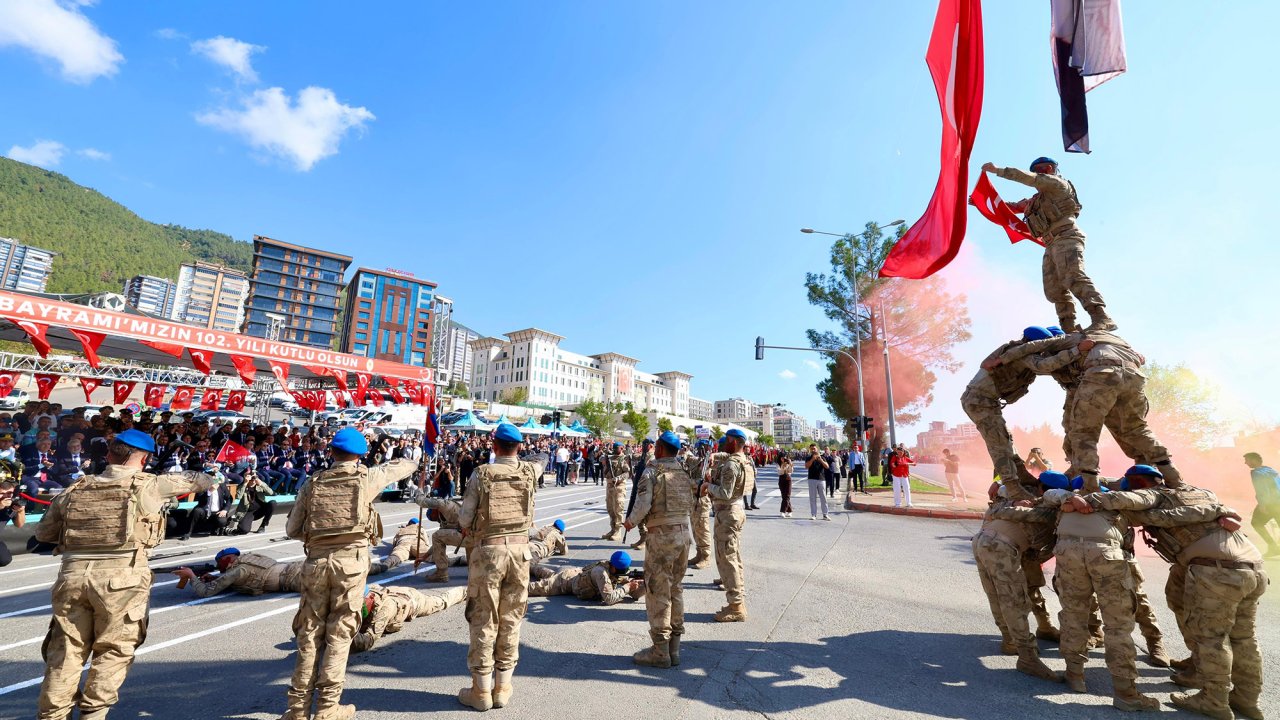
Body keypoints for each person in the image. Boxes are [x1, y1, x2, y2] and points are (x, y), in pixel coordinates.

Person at [33, 429, 221, 720]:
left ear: (109, 454)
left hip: (73, 576)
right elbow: (203, 480)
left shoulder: (75, 488)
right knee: (113, 650)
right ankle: (93, 715)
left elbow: (44, 534)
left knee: (65, 652)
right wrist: (201, 467)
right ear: (144, 459)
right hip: (123, 578)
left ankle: (52, 716)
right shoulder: (152, 485)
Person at [1068, 465, 1265, 719]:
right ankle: (1246, 698)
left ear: (1139, 484)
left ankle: (1214, 700)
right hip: (1251, 566)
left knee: (1212, 637)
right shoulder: (1199, 493)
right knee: (1244, 636)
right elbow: (1117, 484)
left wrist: (1082, 499)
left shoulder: (1152, 496)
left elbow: (1118, 498)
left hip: (1217, 571)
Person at [279, 427, 419, 720]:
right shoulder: (367, 477)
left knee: (309, 634)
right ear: (360, 456)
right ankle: (327, 708)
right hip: (351, 565)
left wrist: (321, 537)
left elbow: (292, 529)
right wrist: (417, 456)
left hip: (316, 563)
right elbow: (402, 466)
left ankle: (297, 710)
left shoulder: (313, 483)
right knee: (340, 634)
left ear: (331, 452)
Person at [1052, 479, 1158, 710]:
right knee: (1118, 625)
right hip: (1107, 556)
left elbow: (1049, 494)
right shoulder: (1117, 503)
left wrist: (1070, 499)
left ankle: (1074, 675)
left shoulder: (1064, 503)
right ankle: (1126, 693)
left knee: (1073, 615)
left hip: (1068, 554)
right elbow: (1148, 499)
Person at [456, 422, 539, 711]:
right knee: (511, 617)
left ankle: (481, 691)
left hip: (489, 553)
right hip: (520, 553)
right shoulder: (529, 472)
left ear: (494, 446)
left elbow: (465, 519)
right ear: (519, 447)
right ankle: (503, 687)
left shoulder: (482, 474)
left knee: (484, 618)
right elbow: (539, 462)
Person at [982, 157, 1115, 333]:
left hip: (1066, 236)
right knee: (1054, 289)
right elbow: (1012, 207)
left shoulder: (1058, 185)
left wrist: (998, 170)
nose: (1038, 174)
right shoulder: (1036, 200)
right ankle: (1069, 329)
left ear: (1050, 169)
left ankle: (1101, 317)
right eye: (1037, 171)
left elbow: (1029, 178)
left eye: (1041, 170)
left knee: (1073, 276)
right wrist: (981, 202)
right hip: (1051, 244)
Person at [972, 480, 1065, 682]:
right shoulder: (1051, 512)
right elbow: (1048, 549)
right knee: (1014, 601)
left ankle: (1009, 640)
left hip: (982, 540)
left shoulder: (1025, 500)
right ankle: (1027, 657)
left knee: (996, 596)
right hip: (1001, 547)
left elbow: (998, 506)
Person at [624, 430, 694, 668]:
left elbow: (643, 504)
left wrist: (630, 522)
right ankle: (674, 649)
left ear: (660, 449)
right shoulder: (682, 471)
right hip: (683, 534)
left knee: (657, 591)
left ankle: (660, 651)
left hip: (662, 537)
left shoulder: (652, 472)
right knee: (676, 589)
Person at [704, 428, 755, 622]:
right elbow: (725, 455)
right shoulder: (743, 459)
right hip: (735, 511)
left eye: (726, 440)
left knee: (728, 559)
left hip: (728, 513)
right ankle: (737, 597)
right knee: (733, 556)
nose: (723, 443)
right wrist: (714, 455)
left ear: (733, 442)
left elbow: (725, 493)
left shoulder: (732, 465)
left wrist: (708, 486)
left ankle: (736, 606)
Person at [351, 584, 467, 653]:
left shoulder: (385, 609)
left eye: (362, 603)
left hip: (412, 600)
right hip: (389, 590)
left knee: (440, 602)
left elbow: (368, 640)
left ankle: (466, 591)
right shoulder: (362, 595)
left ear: (371, 598)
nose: (358, 606)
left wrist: (347, 634)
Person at [174, 547, 305, 597]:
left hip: (295, 579)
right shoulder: (248, 558)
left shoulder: (238, 570)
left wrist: (191, 575)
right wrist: (214, 579)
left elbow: (205, 592)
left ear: (227, 559)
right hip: (296, 567)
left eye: (219, 562)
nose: (218, 566)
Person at [527, 551, 645, 603]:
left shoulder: (615, 570)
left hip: (574, 574)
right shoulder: (601, 573)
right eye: (621, 571)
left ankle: (530, 566)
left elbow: (634, 595)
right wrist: (627, 587)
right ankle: (521, 573)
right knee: (533, 588)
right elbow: (609, 598)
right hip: (566, 581)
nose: (623, 573)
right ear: (614, 567)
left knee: (547, 574)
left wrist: (643, 585)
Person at [684, 439, 715, 568]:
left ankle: (706, 556)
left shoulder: (711, 463)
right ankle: (699, 553)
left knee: (702, 528)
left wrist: (690, 483)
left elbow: (704, 482)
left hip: (702, 500)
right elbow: (685, 461)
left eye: (703, 448)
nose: (700, 450)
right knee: (695, 528)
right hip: (693, 499)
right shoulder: (697, 461)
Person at [1242, 452, 1280, 557]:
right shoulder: (1271, 470)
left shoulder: (1257, 473)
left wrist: (1262, 505)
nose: (1245, 463)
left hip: (1270, 504)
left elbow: (1262, 490)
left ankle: (1273, 547)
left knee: (1256, 523)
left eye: (1247, 460)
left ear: (1254, 460)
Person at [231, 470, 276, 535]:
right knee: (244, 530)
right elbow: (238, 496)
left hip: (260, 510)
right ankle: (238, 526)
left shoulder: (260, 485)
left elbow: (271, 493)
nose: (253, 479)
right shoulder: (242, 486)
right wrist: (245, 483)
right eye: (251, 478)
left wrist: (261, 483)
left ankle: (263, 525)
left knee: (273, 503)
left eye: (255, 477)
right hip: (248, 512)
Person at [600, 442, 629, 542]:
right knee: (610, 508)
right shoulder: (610, 458)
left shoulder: (624, 458)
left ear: (622, 448)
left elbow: (627, 473)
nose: (616, 449)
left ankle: (618, 530)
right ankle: (612, 529)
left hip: (619, 486)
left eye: (618, 448)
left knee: (618, 508)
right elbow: (604, 468)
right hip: (609, 485)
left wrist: (618, 478)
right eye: (615, 448)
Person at [0, 470, 27, 567]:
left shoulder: (13, 503)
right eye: (2, 493)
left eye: (9, 493)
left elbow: (19, 525)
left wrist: (20, 511)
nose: (6, 496)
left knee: (4, 559)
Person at [803, 444, 830, 520]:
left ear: (817, 449)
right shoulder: (808, 458)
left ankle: (825, 514)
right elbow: (806, 466)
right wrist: (812, 459)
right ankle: (813, 514)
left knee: (823, 497)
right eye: (811, 449)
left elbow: (827, 466)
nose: (813, 450)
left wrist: (820, 460)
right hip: (812, 479)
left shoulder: (822, 457)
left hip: (821, 479)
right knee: (812, 498)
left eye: (814, 448)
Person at [777, 453, 794, 518]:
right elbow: (779, 472)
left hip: (788, 479)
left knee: (787, 495)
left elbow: (791, 471)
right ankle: (790, 511)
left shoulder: (788, 463)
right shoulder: (778, 464)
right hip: (781, 479)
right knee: (784, 496)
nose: (783, 459)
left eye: (784, 457)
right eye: (782, 458)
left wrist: (790, 464)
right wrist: (783, 466)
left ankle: (783, 511)